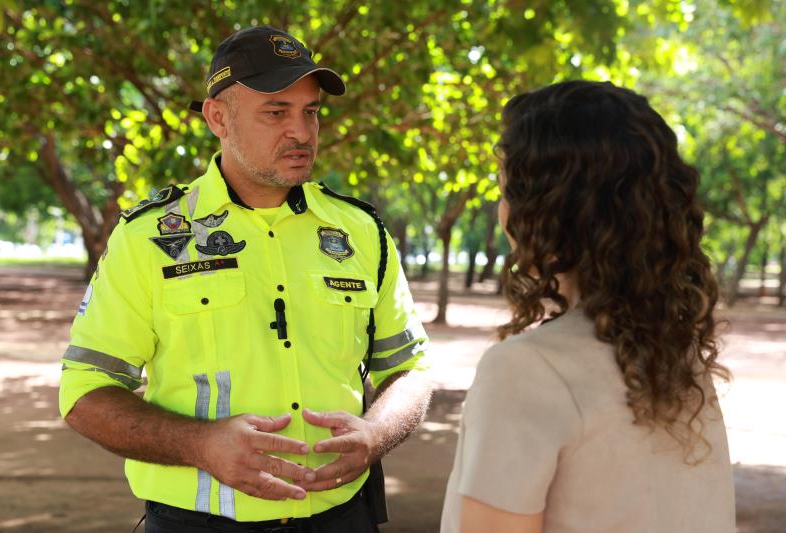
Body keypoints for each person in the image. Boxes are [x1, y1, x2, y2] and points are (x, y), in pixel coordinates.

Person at [59, 25, 431, 533]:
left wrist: (377, 433)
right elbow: (84, 394)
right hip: (197, 523)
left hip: (342, 519)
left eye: (311, 111)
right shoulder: (149, 238)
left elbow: (410, 369)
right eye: (277, 112)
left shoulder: (360, 233)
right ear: (218, 117)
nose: (302, 132)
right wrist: (201, 445)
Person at [440, 81, 735, 533]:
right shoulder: (680, 359)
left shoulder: (525, 370)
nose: (501, 211)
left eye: (505, 191)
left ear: (547, 209)